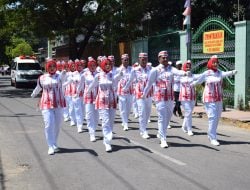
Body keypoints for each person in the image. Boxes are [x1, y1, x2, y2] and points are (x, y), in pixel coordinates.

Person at [143, 51, 188, 148]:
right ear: (159, 58)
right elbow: (149, 83)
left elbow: (178, 72)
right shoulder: (155, 70)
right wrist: (144, 94)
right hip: (160, 98)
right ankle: (163, 139)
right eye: (163, 57)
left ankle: (160, 132)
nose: (165, 59)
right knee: (162, 118)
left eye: (166, 57)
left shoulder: (171, 68)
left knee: (168, 117)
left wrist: (184, 73)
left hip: (170, 98)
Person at [191, 55, 237, 146]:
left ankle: (211, 134)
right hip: (209, 98)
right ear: (210, 63)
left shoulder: (219, 72)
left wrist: (232, 72)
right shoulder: (207, 73)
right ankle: (213, 137)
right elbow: (199, 81)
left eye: (216, 62)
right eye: (214, 62)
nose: (215, 64)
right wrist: (192, 84)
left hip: (218, 99)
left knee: (217, 118)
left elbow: (225, 74)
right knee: (212, 117)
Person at [31, 59, 66, 155]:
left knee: (57, 124)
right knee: (49, 124)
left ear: (56, 67)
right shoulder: (42, 78)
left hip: (58, 103)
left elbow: (63, 79)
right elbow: (38, 88)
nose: (52, 68)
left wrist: (63, 73)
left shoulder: (60, 76)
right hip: (46, 104)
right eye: (50, 66)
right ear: (47, 67)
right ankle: (50, 145)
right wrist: (33, 94)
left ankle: (54, 143)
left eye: (53, 66)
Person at [87, 58, 123, 152]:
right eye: (106, 64)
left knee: (110, 122)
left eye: (109, 64)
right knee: (106, 121)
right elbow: (92, 85)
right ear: (102, 65)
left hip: (112, 101)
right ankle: (107, 142)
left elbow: (116, 80)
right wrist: (87, 92)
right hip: (102, 101)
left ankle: (107, 139)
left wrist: (120, 75)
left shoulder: (112, 75)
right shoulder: (98, 76)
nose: (108, 65)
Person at [123, 53, 153, 139]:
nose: (144, 60)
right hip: (139, 94)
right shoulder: (135, 70)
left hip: (149, 94)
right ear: (139, 59)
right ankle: (143, 130)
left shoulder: (150, 69)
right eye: (142, 59)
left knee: (147, 113)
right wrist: (125, 88)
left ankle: (143, 128)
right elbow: (130, 80)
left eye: (145, 59)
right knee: (142, 112)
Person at [78, 59, 99, 142]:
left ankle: (94, 128)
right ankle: (92, 133)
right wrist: (77, 93)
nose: (92, 67)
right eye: (91, 65)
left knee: (96, 116)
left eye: (94, 65)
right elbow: (80, 85)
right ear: (88, 66)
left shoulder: (99, 74)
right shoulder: (85, 74)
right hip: (88, 97)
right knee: (89, 115)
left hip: (97, 97)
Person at [179, 60, 201, 136]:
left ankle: (183, 126)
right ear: (184, 67)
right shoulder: (180, 76)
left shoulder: (192, 75)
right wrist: (184, 74)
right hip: (184, 97)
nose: (188, 68)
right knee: (188, 112)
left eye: (189, 66)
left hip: (192, 97)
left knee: (188, 113)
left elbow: (200, 76)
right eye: (187, 66)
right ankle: (189, 129)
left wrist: (208, 73)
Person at [117, 54, 133, 131]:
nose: (126, 61)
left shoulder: (132, 69)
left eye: (127, 60)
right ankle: (125, 123)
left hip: (130, 91)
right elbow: (116, 80)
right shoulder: (119, 69)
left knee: (129, 108)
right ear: (122, 60)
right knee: (123, 108)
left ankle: (125, 120)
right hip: (121, 92)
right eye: (124, 60)